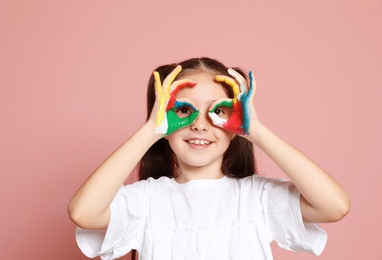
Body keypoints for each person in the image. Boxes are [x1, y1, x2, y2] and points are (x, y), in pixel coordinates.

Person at [68, 57, 350, 260]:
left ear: (237, 122)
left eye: (219, 111)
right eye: (183, 111)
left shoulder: (256, 198)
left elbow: (334, 206)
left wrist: (258, 132)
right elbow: (84, 213)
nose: (200, 125)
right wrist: (150, 131)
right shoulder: (147, 201)